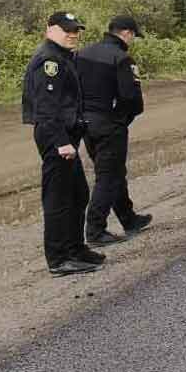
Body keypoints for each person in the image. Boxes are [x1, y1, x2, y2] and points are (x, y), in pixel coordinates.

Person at [22, 12, 104, 276]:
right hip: (55, 137)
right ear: (49, 29)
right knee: (58, 198)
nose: (72, 34)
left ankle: (76, 249)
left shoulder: (62, 57)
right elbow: (46, 109)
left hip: (65, 137)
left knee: (78, 194)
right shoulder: (49, 61)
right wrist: (61, 142)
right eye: (66, 30)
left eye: (76, 30)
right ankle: (59, 259)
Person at [76, 16, 153, 247]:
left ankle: (129, 219)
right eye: (133, 36)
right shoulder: (122, 58)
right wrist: (121, 121)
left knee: (114, 172)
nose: (132, 40)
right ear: (127, 33)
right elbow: (131, 98)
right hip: (109, 124)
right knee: (108, 177)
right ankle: (95, 230)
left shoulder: (80, 54)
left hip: (85, 123)